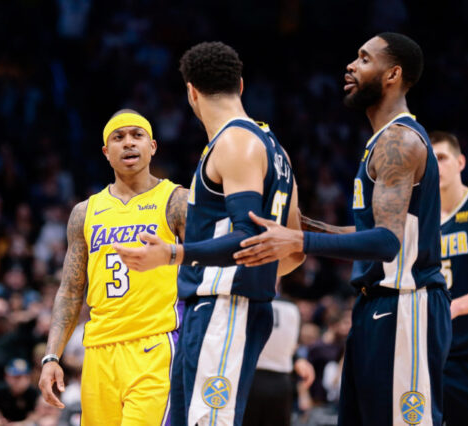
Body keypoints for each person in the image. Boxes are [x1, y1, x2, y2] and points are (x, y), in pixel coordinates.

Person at [233, 33, 451, 425]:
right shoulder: (381, 143)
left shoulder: (399, 141)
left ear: (393, 74)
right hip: (376, 306)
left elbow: (386, 243)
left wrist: (298, 239)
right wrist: (305, 225)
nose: (351, 65)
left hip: (407, 306)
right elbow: (374, 230)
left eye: (364, 59)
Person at [114, 42, 304, 426]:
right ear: (241, 84)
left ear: (191, 92)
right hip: (225, 307)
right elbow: (293, 249)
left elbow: (247, 235)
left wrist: (172, 254)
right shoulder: (275, 150)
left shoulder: (235, 143)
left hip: (223, 309)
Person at [38, 110, 188, 425]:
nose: (128, 143)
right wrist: (52, 356)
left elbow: (205, 263)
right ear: (106, 153)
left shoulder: (176, 201)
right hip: (98, 352)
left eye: (137, 135)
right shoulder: (84, 212)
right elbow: (70, 289)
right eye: (118, 138)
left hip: (155, 345)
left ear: (153, 146)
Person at [430, 131, 468, 425]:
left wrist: (456, 307)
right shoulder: (419, 219)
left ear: (460, 162)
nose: (436, 166)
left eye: (442, 158)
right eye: (430, 161)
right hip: (431, 359)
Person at [242, 296, 315, 426]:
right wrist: (298, 359)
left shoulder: (244, 300)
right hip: (280, 383)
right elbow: (293, 346)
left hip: (248, 379)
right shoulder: (292, 307)